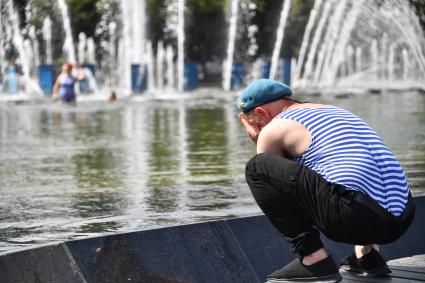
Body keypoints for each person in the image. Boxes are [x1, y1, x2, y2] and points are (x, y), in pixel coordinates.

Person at [236, 79, 415, 282]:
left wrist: (259, 138)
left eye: (252, 123)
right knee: (349, 173)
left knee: (257, 167)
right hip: (404, 217)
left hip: (355, 216)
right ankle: (368, 255)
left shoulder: (275, 126)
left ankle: (314, 259)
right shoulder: (334, 111)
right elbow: (358, 172)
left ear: (261, 113)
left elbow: (275, 182)